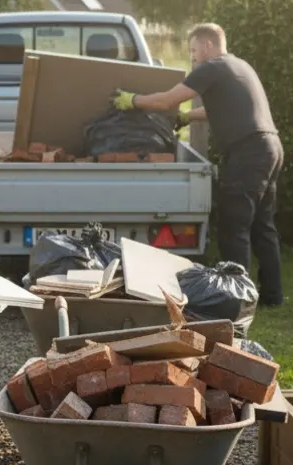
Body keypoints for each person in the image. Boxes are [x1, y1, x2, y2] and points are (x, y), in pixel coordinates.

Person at [111, 23, 284, 307]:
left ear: (208, 45)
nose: (192, 57)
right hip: (270, 147)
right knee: (263, 227)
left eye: (193, 50)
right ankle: (272, 297)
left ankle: (236, 299)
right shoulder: (238, 65)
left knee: (234, 227)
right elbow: (222, 108)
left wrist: (133, 100)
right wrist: (186, 117)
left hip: (247, 153)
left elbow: (168, 100)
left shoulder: (211, 67)